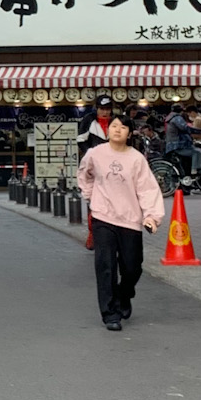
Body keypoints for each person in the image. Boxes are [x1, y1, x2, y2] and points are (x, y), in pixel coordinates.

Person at [76, 111, 164, 331]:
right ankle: (110, 314)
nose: (117, 130)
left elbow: (147, 189)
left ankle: (124, 295)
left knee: (132, 267)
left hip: (130, 219)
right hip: (103, 216)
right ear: (108, 130)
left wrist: (152, 216)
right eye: (114, 126)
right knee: (105, 265)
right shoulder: (96, 154)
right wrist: (90, 195)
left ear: (129, 133)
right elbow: (84, 174)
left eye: (123, 127)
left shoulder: (136, 158)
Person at [164, 106, 196, 175]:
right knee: (195, 153)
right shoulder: (177, 118)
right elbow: (185, 128)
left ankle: (187, 174)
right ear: (181, 111)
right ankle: (191, 173)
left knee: (186, 159)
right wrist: (199, 131)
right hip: (177, 145)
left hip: (172, 145)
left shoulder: (170, 118)